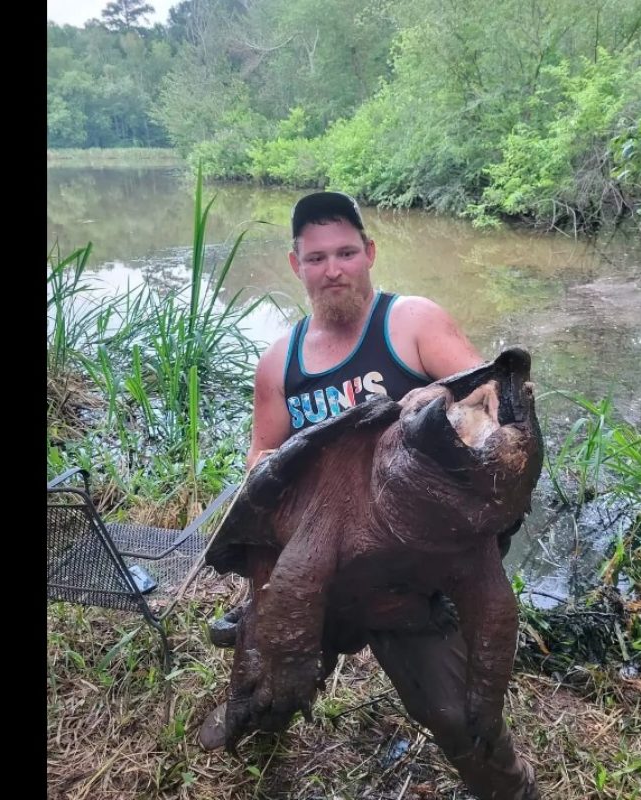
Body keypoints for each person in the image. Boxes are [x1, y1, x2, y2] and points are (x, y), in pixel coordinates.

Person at [202, 191, 539, 800]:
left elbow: (482, 391)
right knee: (274, 664)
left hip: (417, 562)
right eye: (317, 258)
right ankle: (259, 725)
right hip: (319, 550)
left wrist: (455, 402)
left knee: (455, 713)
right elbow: (260, 458)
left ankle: (513, 787)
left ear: (370, 253)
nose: (333, 269)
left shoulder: (410, 321)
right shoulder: (279, 364)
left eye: (346, 252)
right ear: (295, 266)